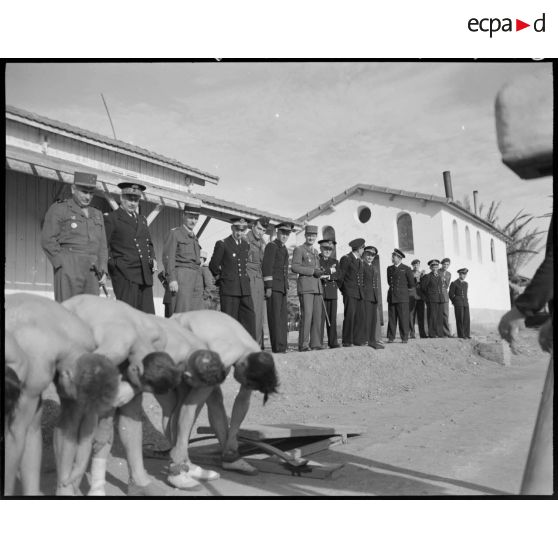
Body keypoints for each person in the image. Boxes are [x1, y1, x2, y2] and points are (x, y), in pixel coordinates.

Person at [61, 294, 180, 496]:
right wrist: (104, 419)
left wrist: (132, 389)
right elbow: (79, 386)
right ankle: (73, 483)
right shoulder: (115, 349)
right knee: (85, 413)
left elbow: (142, 377)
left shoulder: (158, 337)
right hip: (69, 319)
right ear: (136, 370)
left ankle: (137, 480)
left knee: (131, 401)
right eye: (140, 382)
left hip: (113, 326)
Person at [5, 294, 119, 496]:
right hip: (18, 329)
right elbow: (16, 434)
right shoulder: (38, 363)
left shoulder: (87, 344)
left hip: (34, 322)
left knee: (34, 416)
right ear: (66, 375)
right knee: (20, 423)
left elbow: (85, 412)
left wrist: (81, 462)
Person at [172, 310, 279, 475]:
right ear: (242, 366)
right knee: (193, 397)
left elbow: (243, 399)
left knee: (215, 396)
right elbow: (190, 405)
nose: (245, 386)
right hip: (176, 332)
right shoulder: (223, 357)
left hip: (206, 335)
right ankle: (178, 460)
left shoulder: (255, 355)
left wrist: (233, 435)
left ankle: (229, 456)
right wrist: (181, 448)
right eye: (246, 382)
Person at [142, 316, 228, 490]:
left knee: (181, 406)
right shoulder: (170, 354)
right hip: (148, 354)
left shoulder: (199, 350)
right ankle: (176, 469)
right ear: (188, 376)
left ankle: (184, 461)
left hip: (170, 346)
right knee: (171, 407)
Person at [41, 171, 108, 302]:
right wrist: (61, 264)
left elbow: (102, 246)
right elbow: (47, 240)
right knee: (67, 310)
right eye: (84, 192)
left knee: (89, 311)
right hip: (68, 267)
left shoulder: (97, 214)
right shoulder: (59, 209)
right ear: (73, 189)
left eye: (91, 193)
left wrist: (103, 270)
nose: (88, 197)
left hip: (92, 270)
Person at [104, 182, 157, 313]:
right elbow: (104, 246)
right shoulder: (112, 218)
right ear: (122, 198)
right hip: (125, 276)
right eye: (129, 199)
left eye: (136, 200)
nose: (133, 203)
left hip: (144, 275)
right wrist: (115, 267)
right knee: (127, 317)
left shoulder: (142, 220)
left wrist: (153, 258)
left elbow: (148, 243)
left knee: (147, 317)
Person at [209, 217, 256, 338]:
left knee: (249, 319)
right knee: (229, 322)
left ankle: (249, 347)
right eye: (237, 229)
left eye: (242, 230)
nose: (239, 233)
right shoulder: (223, 244)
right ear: (232, 228)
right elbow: (213, 265)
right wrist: (222, 279)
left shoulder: (245, 245)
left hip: (244, 289)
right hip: (229, 290)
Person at [163, 203, 204, 314]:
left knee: (195, 313)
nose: (193, 221)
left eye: (196, 218)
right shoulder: (175, 233)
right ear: (184, 216)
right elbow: (168, 258)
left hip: (196, 277)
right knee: (180, 313)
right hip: (182, 276)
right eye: (190, 217)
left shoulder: (194, 237)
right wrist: (172, 279)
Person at [291, 225, 324, 351]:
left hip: (316, 287)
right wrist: (312, 271)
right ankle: (303, 344)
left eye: (313, 235)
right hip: (306, 287)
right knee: (307, 315)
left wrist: (319, 271)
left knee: (317, 315)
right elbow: (294, 267)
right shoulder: (299, 250)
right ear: (305, 236)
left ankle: (315, 343)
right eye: (309, 235)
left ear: (316, 237)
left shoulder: (316, 252)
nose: (311, 237)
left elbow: (316, 269)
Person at [262, 222, 293, 353]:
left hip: (282, 287)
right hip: (274, 287)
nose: (285, 236)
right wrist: (268, 286)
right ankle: (277, 347)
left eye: (287, 234)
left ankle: (282, 345)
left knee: (282, 319)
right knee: (275, 318)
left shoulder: (284, 248)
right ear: (277, 232)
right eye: (283, 233)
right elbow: (267, 267)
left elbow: (284, 270)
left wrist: (286, 286)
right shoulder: (272, 246)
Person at [246, 217, 269, 347]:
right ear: (253, 226)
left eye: (263, 230)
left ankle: (259, 344)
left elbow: (265, 263)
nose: (260, 232)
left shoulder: (263, 243)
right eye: (259, 228)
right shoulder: (245, 239)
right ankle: (252, 344)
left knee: (260, 314)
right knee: (252, 313)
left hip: (260, 280)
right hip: (250, 278)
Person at [338, 238, 366, 347]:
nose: (363, 251)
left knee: (359, 316)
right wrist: (344, 291)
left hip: (359, 293)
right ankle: (347, 340)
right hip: (349, 292)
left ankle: (357, 340)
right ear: (359, 249)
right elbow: (341, 277)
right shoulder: (346, 259)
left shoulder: (359, 261)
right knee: (350, 315)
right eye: (363, 248)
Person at [386, 248, 415, 343]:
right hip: (392, 296)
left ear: (399, 258)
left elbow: (411, 284)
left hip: (402, 298)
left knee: (403, 318)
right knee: (392, 318)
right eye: (392, 256)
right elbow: (389, 282)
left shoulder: (406, 269)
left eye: (394, 257)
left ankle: (404, 337)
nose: (392, 258)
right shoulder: (389, 269)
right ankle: (391, 337)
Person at [318, 240, 340, 349]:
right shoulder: (316, 259)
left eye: (330, 249)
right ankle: (319, 342)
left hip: (332, 293)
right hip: (321, 292)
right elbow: (318, 273)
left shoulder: (335, 261)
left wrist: (326, 275)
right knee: (320, 318)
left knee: (332, 318)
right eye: (325, 249)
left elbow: (337, 275)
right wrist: (330, 271)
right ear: (321, 249)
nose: (327, 251)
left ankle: (333, 342)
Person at [361, 246, 384, 349]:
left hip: (374, 296)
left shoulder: (374, 267)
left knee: (373, 319)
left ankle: (372, 339)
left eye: (372, 255)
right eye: (368, 255)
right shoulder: (362, 265)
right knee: (366, 318)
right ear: (364, 255)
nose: (370, 257)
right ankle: (366, 339)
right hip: (366, 296)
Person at [421, 259, 445, 338]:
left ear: (438, 267)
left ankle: (440, 333)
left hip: (440, 299)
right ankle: (432, 333)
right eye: (433, 266)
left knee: (439, 317)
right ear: (430, 268)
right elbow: (423, 288)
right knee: (432, 316)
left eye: (436, 266)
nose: (435, 268)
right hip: (431, 299)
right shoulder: (427, 276)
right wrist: (428, 297)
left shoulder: (440, 276)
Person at [449, 268, 471, 339]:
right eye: (462, 274)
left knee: (466, 319)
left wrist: (466, 301)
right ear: (459, 274)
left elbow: (465, 294)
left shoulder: (466, 284)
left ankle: (467, 334)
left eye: (465, 274)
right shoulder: (454, 283)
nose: (464, 276)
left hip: (465, 303)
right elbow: (451, 294)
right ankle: (461, 335)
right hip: (458, 303)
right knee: (460, 319)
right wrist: (455, 301)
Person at [409, 259, 428, 339]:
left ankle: (422, 333)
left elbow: (425, 285)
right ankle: (412, 333)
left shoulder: (422, 274)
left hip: (420, 297)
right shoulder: (409, 273)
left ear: (419, 265)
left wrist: (423, 276)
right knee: (411, 316)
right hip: (412, 297)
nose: (416, 266)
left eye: (417, 264)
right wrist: (413, 277)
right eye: (414, 265)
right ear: (412, 265)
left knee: (421, 316)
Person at [440, 257, 454, 337]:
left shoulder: (449, 274)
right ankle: (439, 332)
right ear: (441, 264)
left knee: (445, 314)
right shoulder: (438, 272)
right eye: (444, 264)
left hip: (445, 295)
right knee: (438, 314)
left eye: (447, 264)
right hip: (438, 295)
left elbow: (447, 285)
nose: (445, 266)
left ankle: (447, 332)